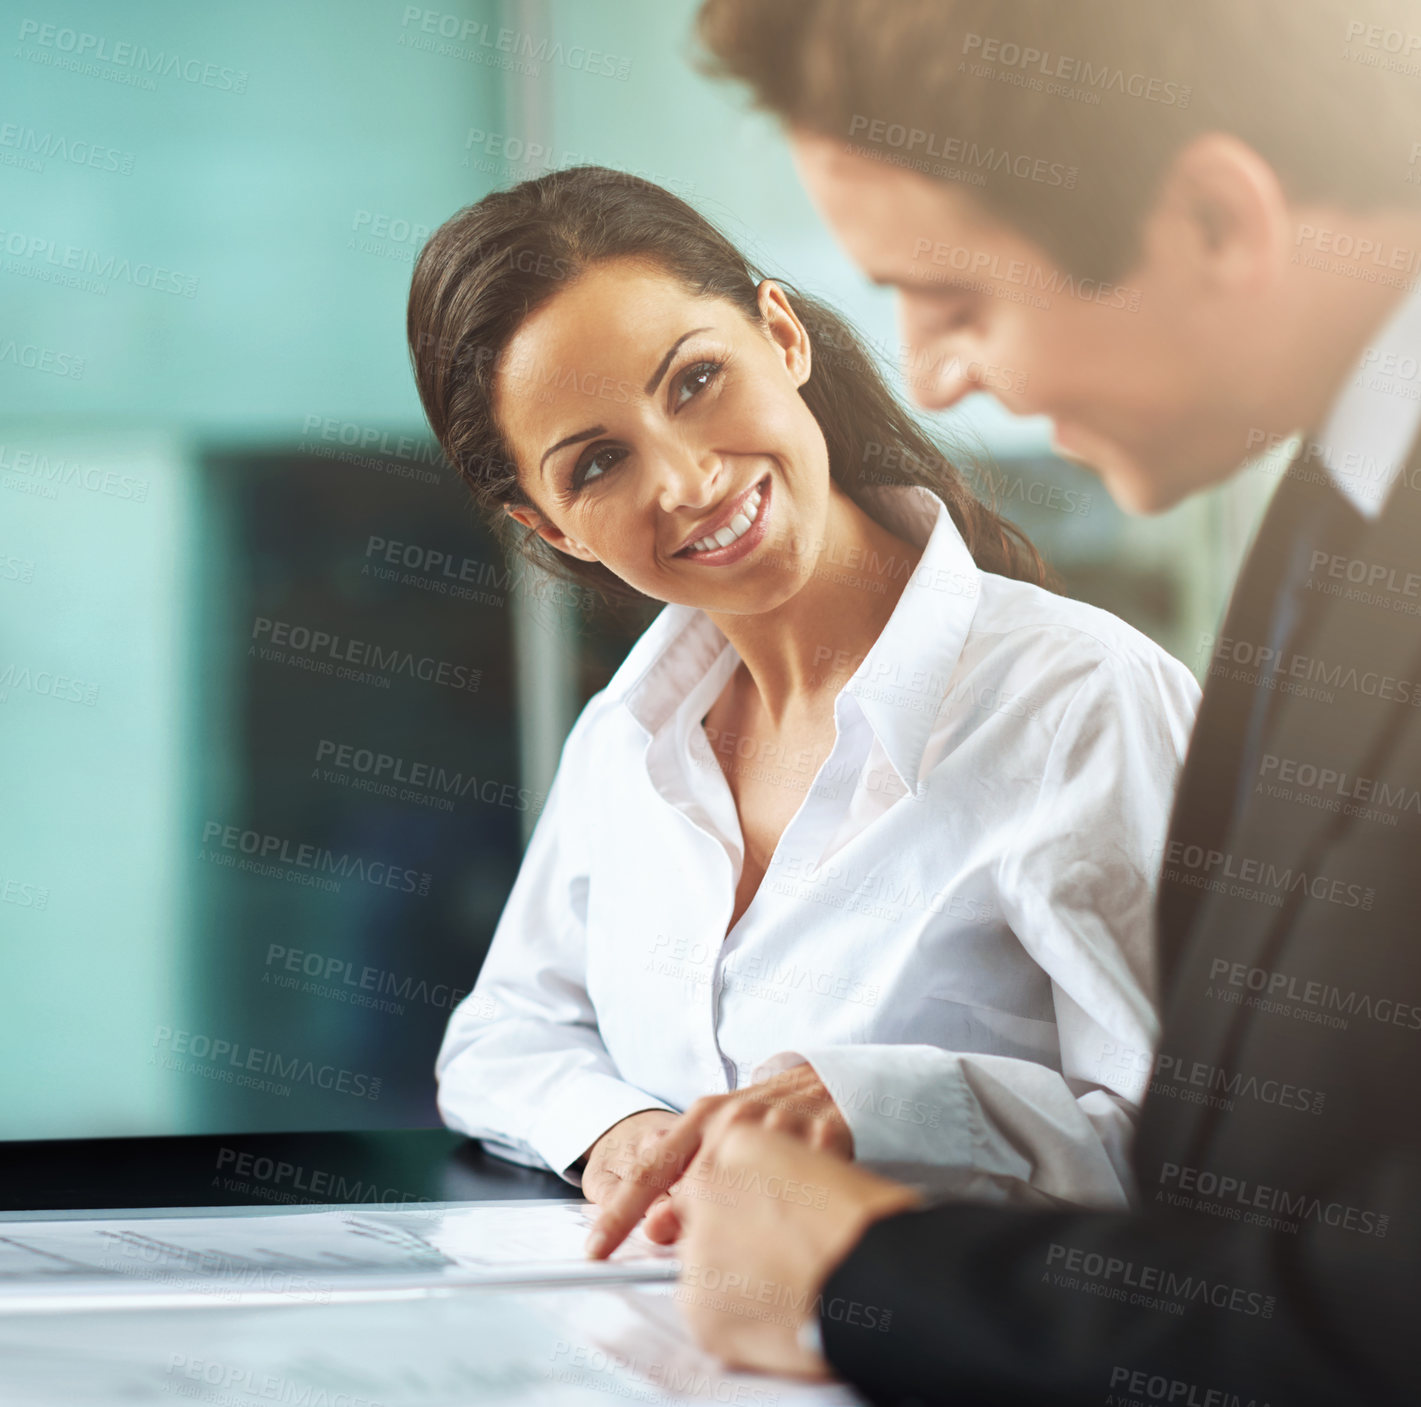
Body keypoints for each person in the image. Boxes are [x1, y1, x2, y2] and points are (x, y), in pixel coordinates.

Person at [650, 0, 1421, 1400]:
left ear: (1215, 221)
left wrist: (865, 1278)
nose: (934, 371)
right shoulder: (1336, 508)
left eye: (956, 300)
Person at [408, 164, 1199, 1243]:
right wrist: (624, 1132)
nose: (686, 481)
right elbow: (501, 1037)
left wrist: (886, 1106)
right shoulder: (628, 739)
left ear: (779, 335)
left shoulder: (1081, 706)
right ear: (552, 527)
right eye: (597, 464)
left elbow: (1207, 1155)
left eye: (693, 382)